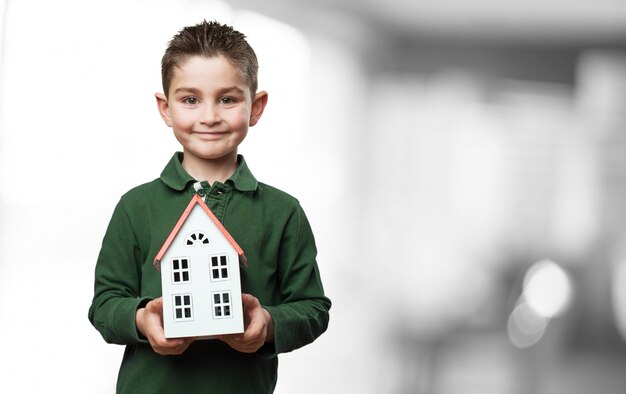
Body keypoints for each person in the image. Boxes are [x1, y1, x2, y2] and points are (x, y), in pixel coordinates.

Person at [88, 20, 331, 393]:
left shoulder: (284, 213)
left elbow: (313, 308)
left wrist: (267, 324)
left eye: (228, 99)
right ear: (165, 108)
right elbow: (104, 305)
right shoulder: (135, 207)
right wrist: (142, 319)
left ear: (256, 106)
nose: (209, 116)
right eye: (190, 100)